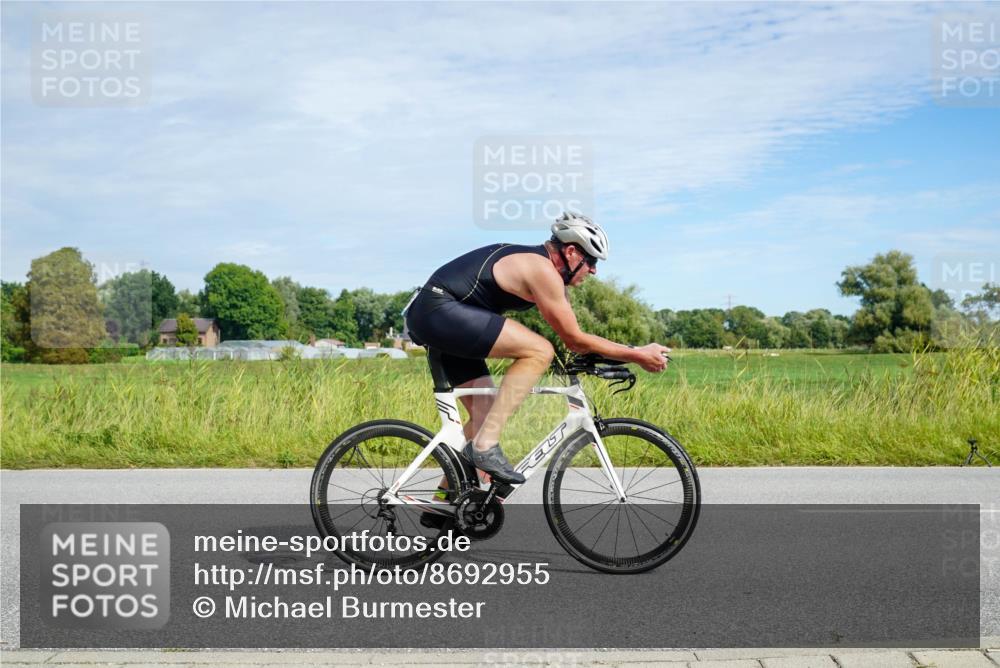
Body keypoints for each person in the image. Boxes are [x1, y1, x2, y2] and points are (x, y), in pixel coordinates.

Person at [404, 212, 671, 486]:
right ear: (570, 252)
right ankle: (484, 448)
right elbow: (575, 339)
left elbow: (575, 339)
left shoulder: (551, 277)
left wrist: (614, 356)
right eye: (590, 260)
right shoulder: (542, 270)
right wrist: (638, 353)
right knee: (538, 350)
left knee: (486, 413)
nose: (593, 270)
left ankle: (443, 504)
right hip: (439, 310)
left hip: (447, 317)